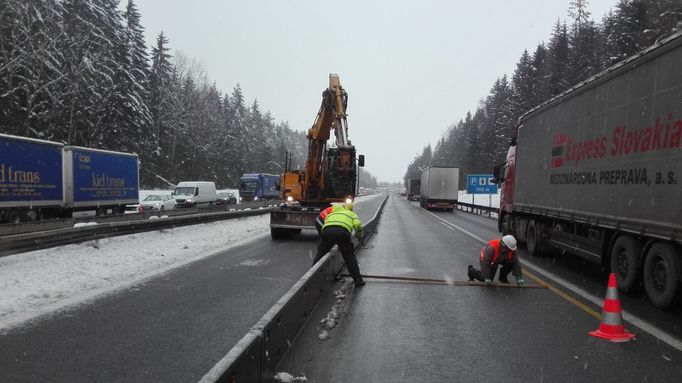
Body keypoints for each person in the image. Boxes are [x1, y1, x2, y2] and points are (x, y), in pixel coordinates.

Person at [312, 202, 365, 286]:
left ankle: (312, 277)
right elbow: (358, 225)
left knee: (320, 254)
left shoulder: (333, 213)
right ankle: (358, 280)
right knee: (349, 256)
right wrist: (359, 237)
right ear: (351, 209)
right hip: (342, 233)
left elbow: (325, 222)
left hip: (327, 232)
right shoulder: (351, 214)